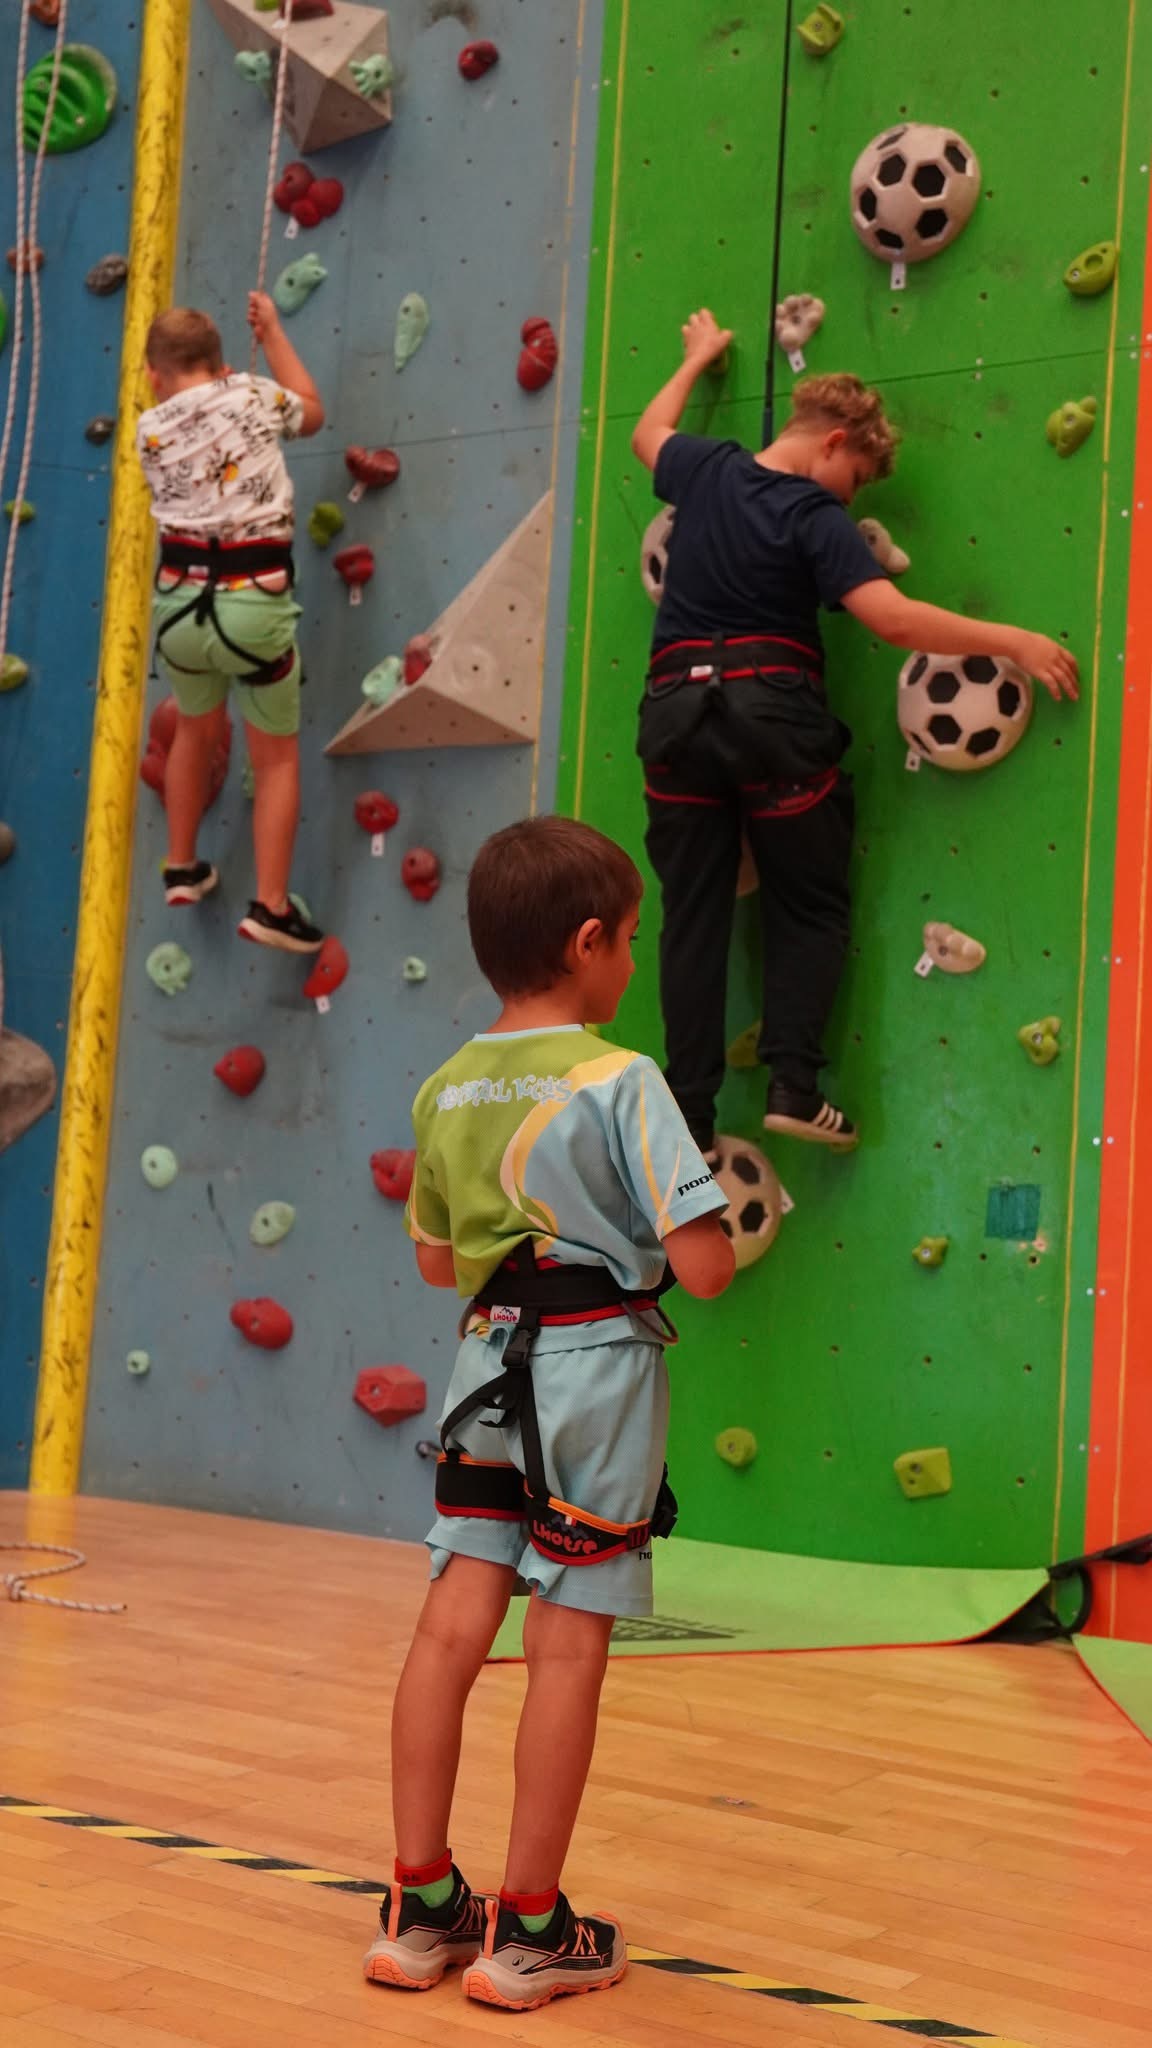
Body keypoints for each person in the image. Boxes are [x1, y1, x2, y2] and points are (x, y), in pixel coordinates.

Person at [362, 814, 734, 2011]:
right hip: (593, 1376)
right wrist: (698, 1225)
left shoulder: (445, 1085)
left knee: (448, 1630)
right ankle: (529, 1930)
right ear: (586, 943)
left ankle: (422, 1904)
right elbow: (706, 1266)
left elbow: (437, 1262)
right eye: (630, 937)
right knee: (566, 1641)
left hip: (484, 1368)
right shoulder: (622, 1078)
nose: (632, 958)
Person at [631, 310, 1079, 1156]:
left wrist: (695, 357)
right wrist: (1014, 640)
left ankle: (686, 1119)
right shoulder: (813, 514)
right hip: (771, 719)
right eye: (858, 478)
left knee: (691, 919)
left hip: (675, 718)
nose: (853, 496)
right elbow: (894, 620)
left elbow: (647, 434)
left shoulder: (708, 469)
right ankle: (794, 1087)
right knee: (809, 902)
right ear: (833, 441)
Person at [136, 296, 326, 953]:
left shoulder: (148, 429)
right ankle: (270, 906)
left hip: (178, 608)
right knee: (273, 761)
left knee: (195, 729)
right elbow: (312, 410)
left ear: (153, 375)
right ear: (220, 363)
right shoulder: (251, 394)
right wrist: (271, 334)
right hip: (252, 602)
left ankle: (181, 866)